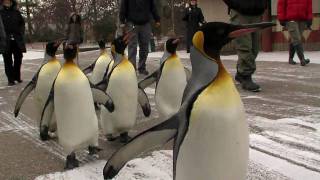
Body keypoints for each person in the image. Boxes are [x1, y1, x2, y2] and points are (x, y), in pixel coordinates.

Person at [224, 0, 267, 92]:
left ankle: (241, 73)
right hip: (240, 13)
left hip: (257, 13)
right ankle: (246, 76)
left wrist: (263, 5)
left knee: (254, 48)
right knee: (244, 46)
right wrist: (237, 4)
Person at [119, 0, 160, 75]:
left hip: (145, 23)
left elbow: (153, 7)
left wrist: (157, 19)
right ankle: (131, 69)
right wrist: (122, 20)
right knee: (132, 47)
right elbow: (123, 6)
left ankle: (142, 67)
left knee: (145, 47)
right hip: (131, 23)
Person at [277, 0, 312, 66]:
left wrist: (310, 18)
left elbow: (309, 6)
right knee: (297, 39)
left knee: (294, 39)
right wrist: (281, 18)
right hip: (290, 19)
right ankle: (302, 59)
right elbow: (281, 5)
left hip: (302, 19)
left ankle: (290, 58)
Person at [0, 0, 26, 86]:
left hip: (17, 39)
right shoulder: (0, 12)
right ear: (2, 2)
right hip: (5, 40)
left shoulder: (16, 12)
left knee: (18, 58)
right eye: (5, 1)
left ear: (12, 2)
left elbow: (22, 23)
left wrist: (20, 32)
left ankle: (17, 77)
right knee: (8, 61)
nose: (7, 3)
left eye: (9, 1)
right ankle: (10, 80)